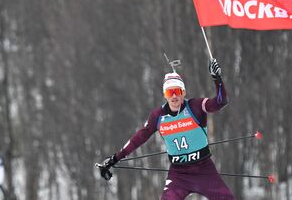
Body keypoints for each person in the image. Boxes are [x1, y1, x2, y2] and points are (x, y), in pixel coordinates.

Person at [98, 58, 236, 200]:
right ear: (165, 95)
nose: (174, 96)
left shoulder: (196, 106)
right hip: (178, 174)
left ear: (183, 93)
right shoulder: (158, 116)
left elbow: (221, 102)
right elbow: (137, 139)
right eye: (170, 93)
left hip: (204, 170)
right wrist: (114, 159)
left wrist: (216, 78)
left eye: (177, 91)